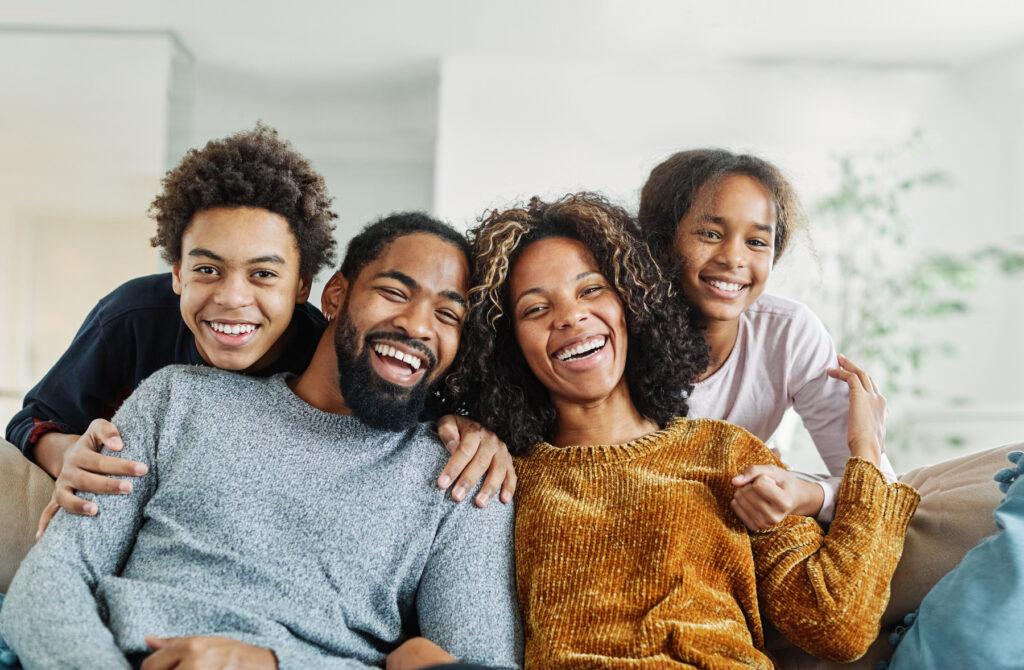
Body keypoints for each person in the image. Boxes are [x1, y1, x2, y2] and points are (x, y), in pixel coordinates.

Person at [0, 213, 522, 670]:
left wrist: (277, 663)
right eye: (393, 292)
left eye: (448, 314)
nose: (417, 325)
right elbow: (52, 580)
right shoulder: (175, 399)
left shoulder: (463, 479)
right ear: (335, 295)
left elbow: (475, 666)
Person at [453, 193, 918, 668]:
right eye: (535, 309)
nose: (571, 316)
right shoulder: (506, 479)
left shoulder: (724, 452)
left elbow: (838, 625)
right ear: (509, 346)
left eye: (591, 290)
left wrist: (866, 451)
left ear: (630, 302)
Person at [7, 125, 513, 539]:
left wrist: (470, 429)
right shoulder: (133, 317)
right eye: (207, 270)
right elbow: (34, 419)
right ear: (177, 272)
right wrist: (67, 453)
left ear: (304, 287)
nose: (232, 297)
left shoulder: (325, 354)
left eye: (264, 274)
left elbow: (401, 400)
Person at [638, 149, 899, 528]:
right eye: (710, 234)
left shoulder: (788, 333)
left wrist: (803, 493)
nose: (734, 258)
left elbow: (879, 491)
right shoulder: (617, 333)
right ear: (663, 241)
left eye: (757, 242)